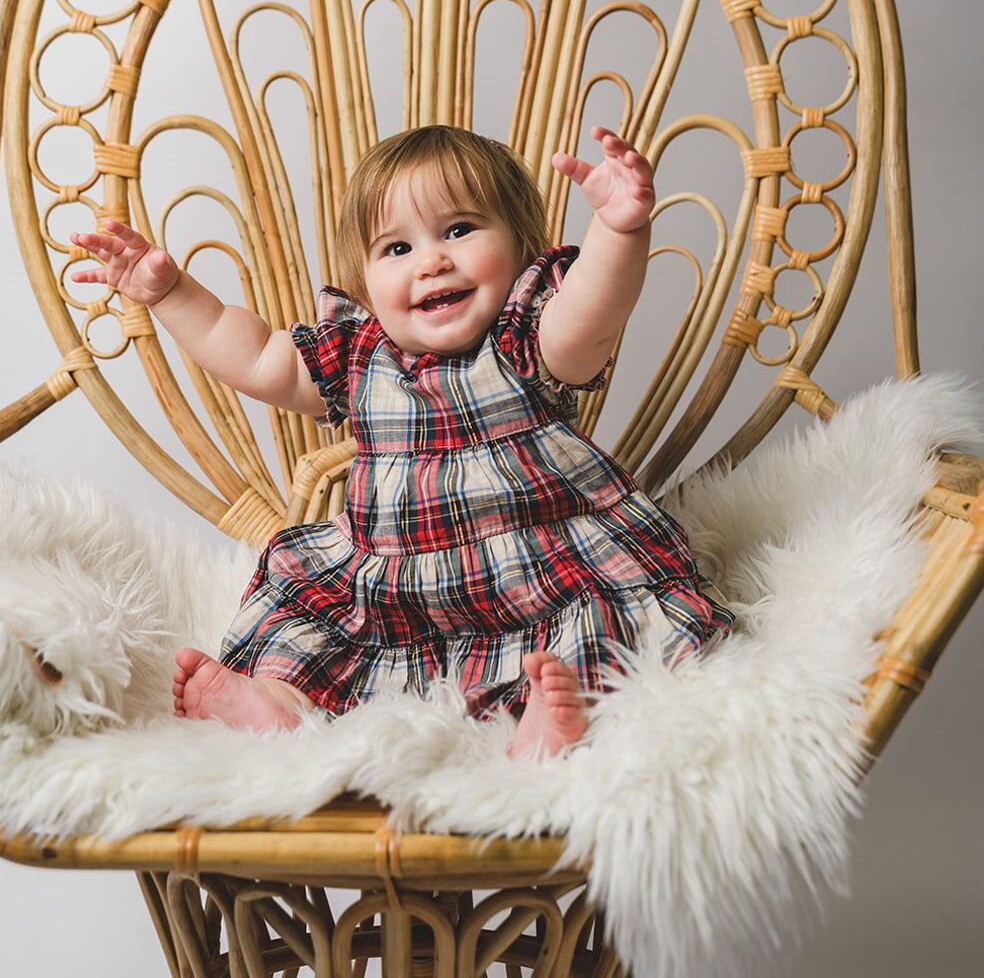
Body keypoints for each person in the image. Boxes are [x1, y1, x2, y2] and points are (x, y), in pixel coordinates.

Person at [70, 125, 733, 757]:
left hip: (540, 574)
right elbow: (253, 356)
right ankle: (276, 703)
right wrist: (172, 292)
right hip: (394, 592)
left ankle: (544, 721)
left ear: (526, 253)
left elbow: (591, 314)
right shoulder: (358, 355)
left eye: (461, 229)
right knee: (306, 621)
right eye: (397, 248)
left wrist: (620, 229)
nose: (432, 260)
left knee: (591, 627)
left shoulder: (528, 339)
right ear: (365, 283)